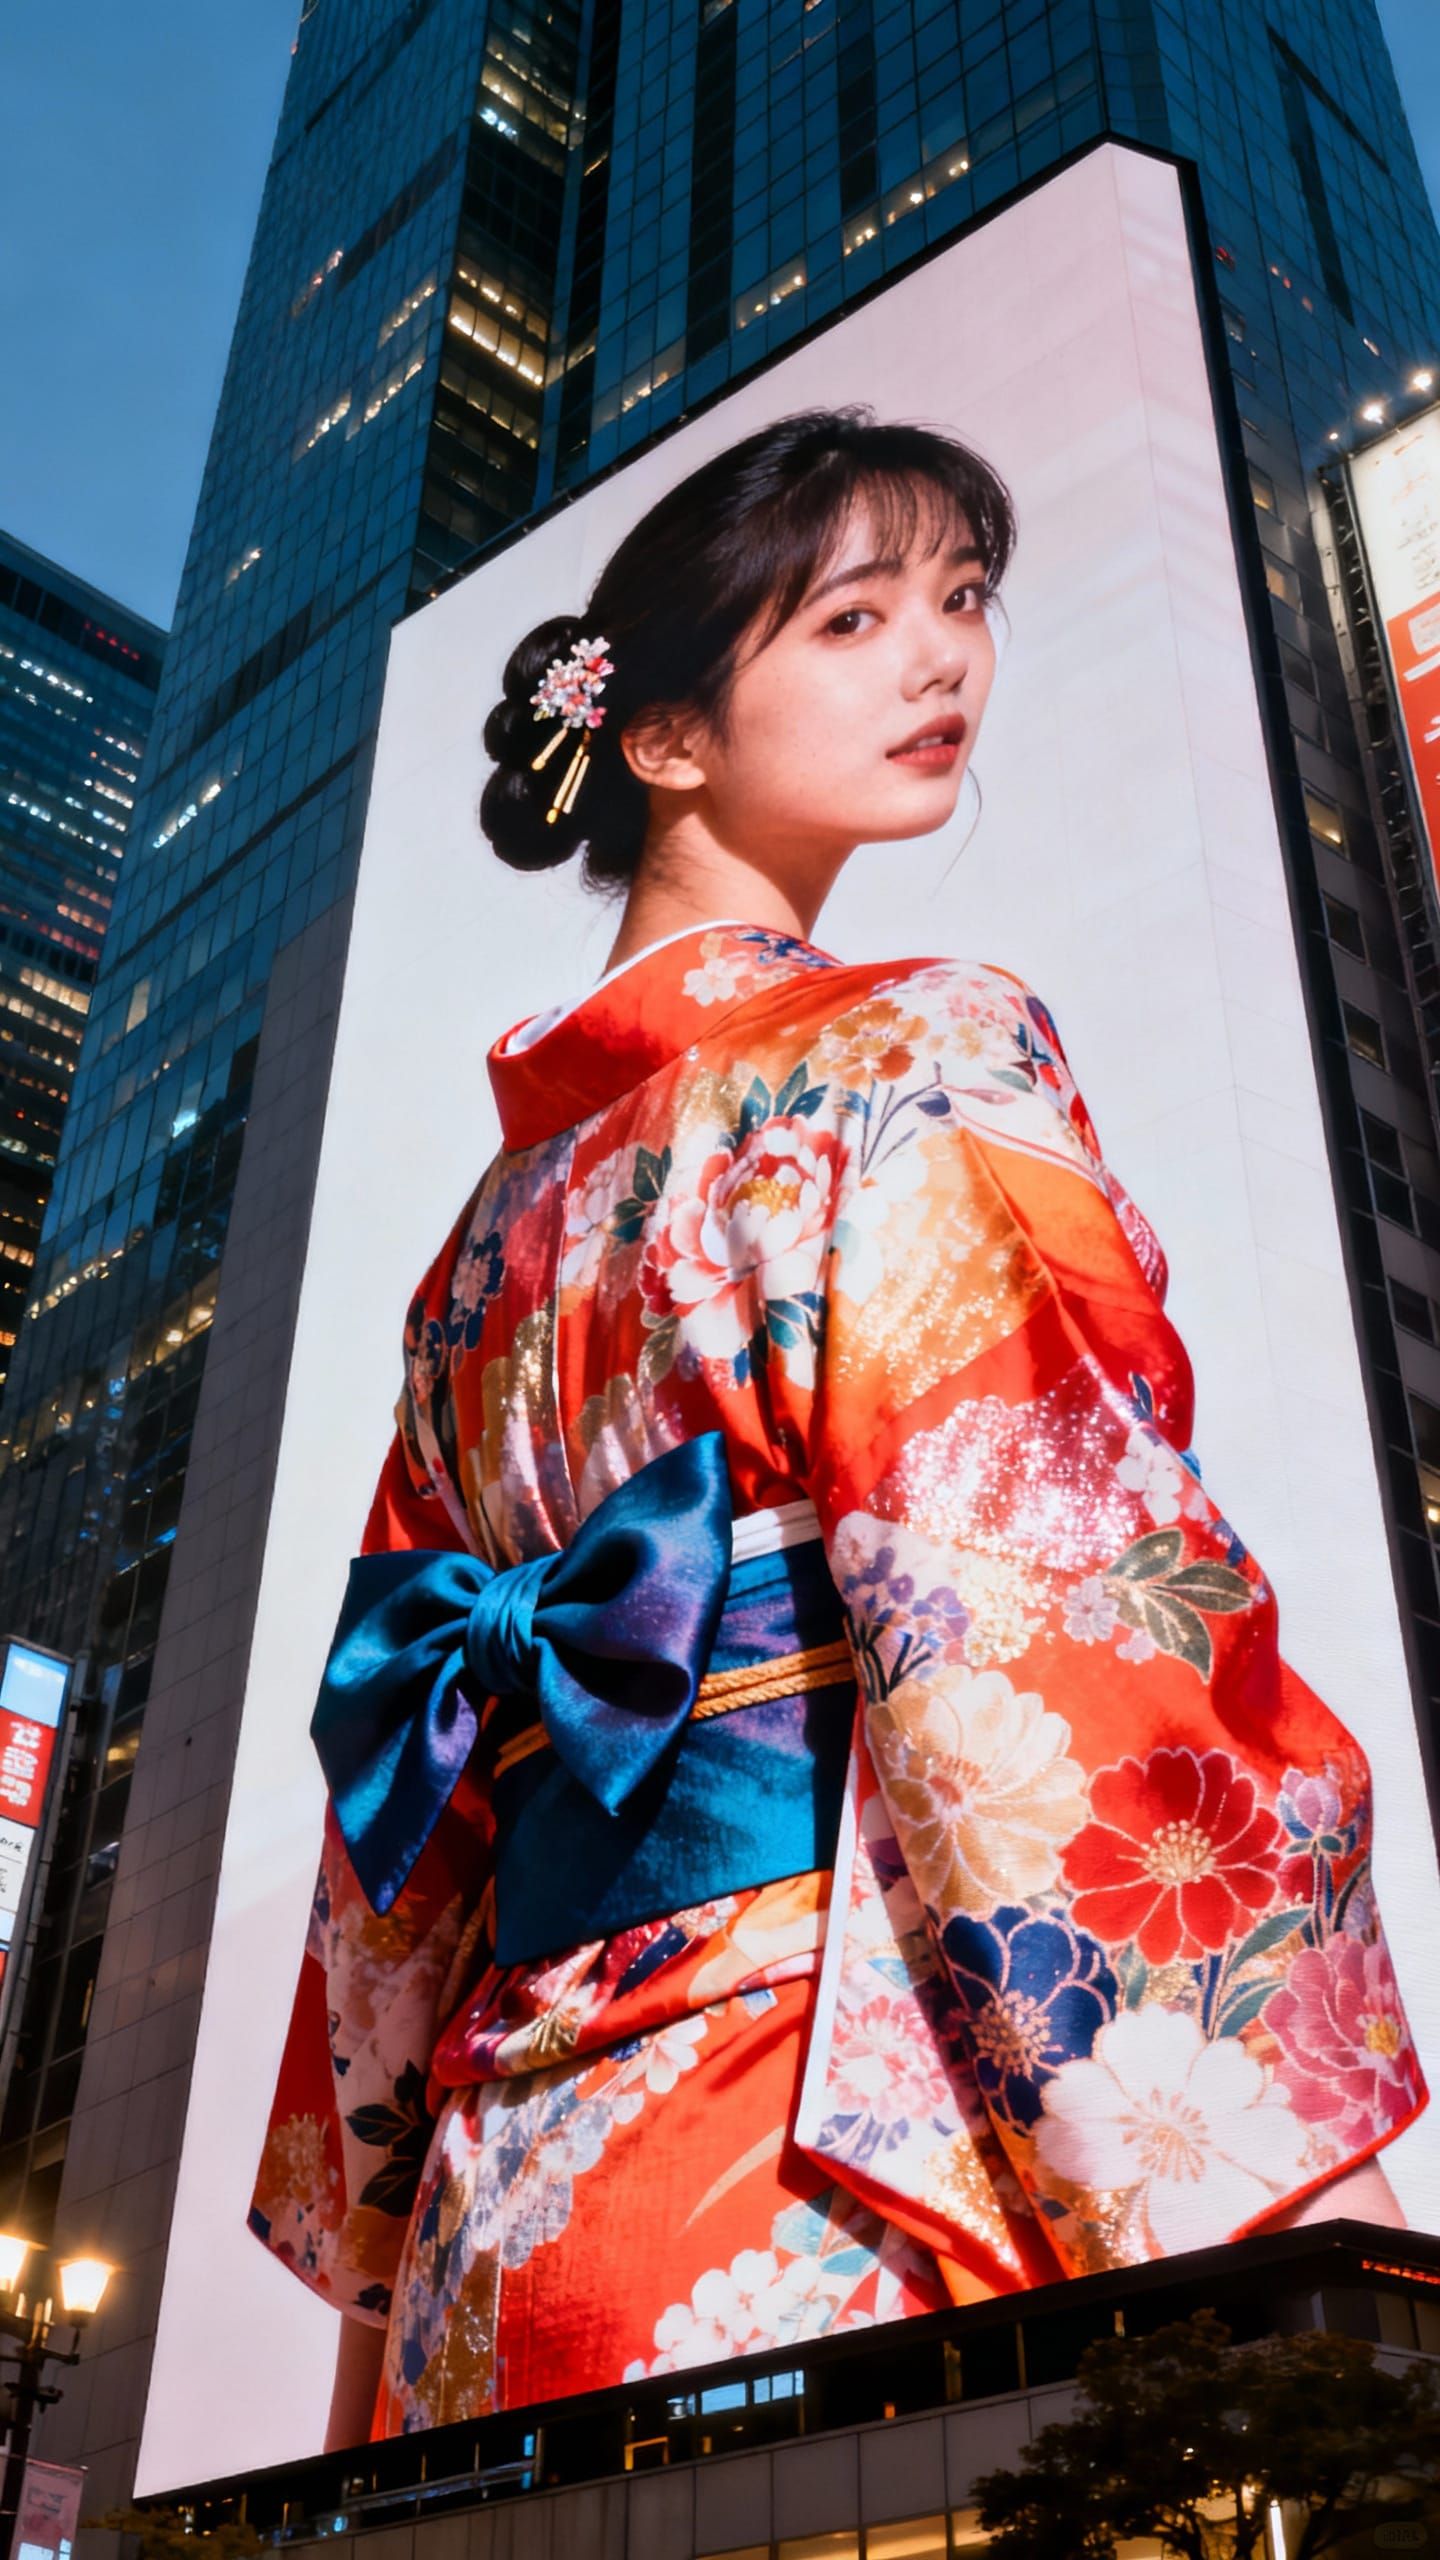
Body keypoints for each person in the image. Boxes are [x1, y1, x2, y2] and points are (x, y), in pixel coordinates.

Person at [251, 409, 1423, 2446]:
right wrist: (1288, 2179)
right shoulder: (909, 1052)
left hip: (508, 2195)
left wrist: (382, 2273)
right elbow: (1041, 1611)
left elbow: (405, 1794)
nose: (944, 660)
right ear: (666, 737)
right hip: (808, 2159)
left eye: (964, 605)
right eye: (858, 617)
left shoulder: (480, 1244)